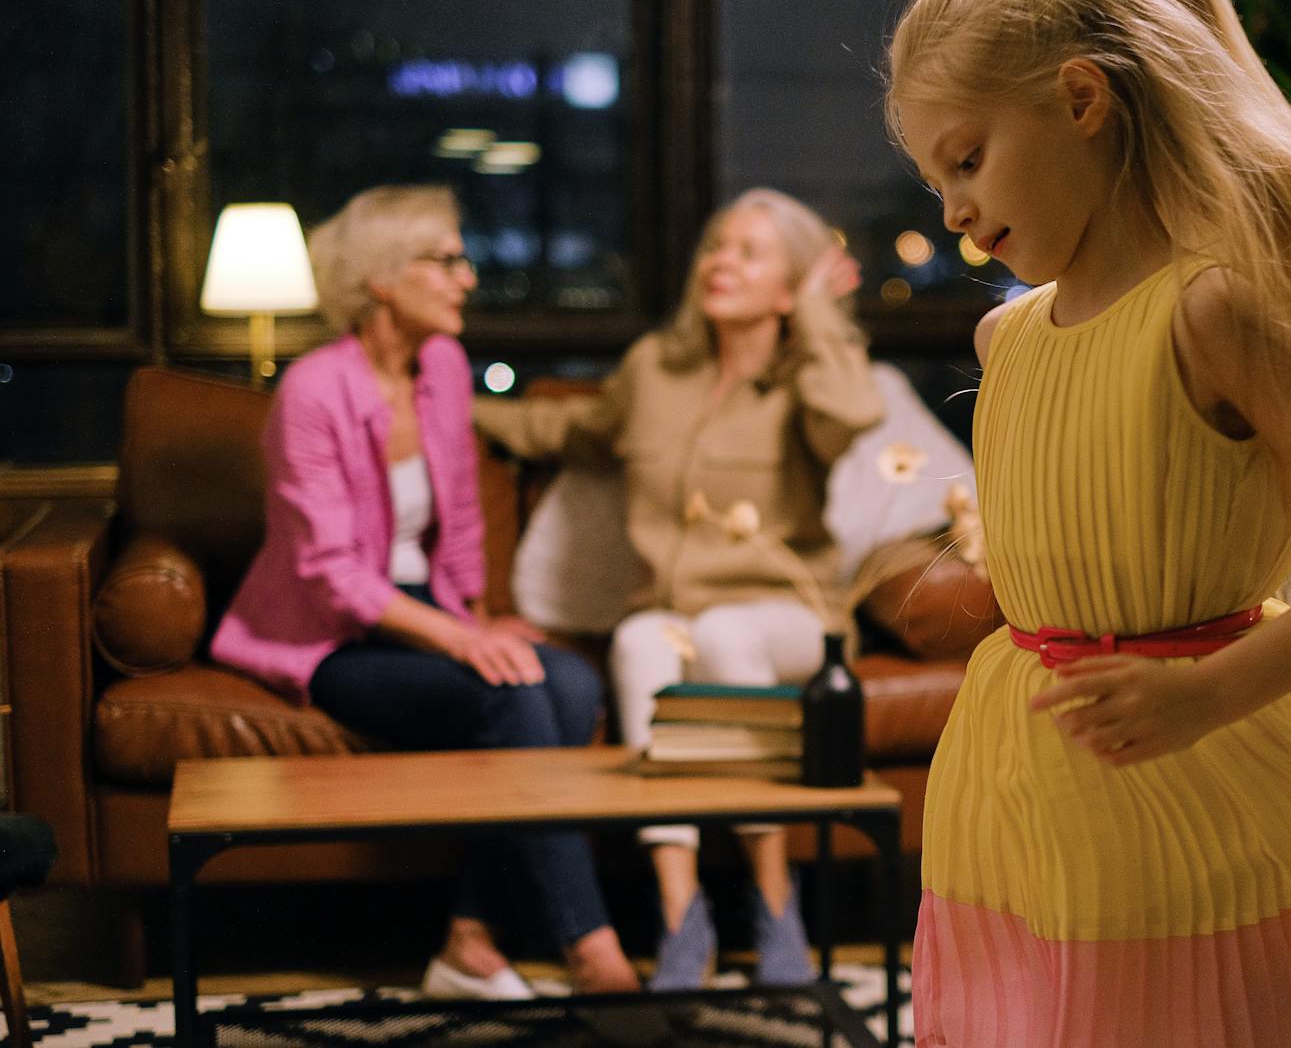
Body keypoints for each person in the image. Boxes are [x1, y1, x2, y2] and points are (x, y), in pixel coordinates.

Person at [885, 0, 1291, 1044]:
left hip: (1202, 768)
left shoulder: (1211, 312)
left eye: (966, 160)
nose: (952, 210)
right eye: (934, 181)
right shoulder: (1001, 344)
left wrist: (1206, 693)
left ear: (1081, 99)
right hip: (1033, 782)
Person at [210, 185, 639, 1001]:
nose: (465, 277)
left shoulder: (440, 367)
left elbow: (465, 514)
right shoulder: (311, 391)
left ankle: (472, 939)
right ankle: (593, 951)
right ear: (379, 278)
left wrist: (476, 615)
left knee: (572, 680)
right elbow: (332, 575)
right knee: (509, 693)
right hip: (332, 636)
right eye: (444, 260)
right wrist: (462, 641)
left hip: (426, 607)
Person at [474, 187, 884, 990]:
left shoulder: (810, 378)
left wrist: (818, 316)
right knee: (637, 639)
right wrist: (458, 411)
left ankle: (773, 900)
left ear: (788, 284)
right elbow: (572, 431)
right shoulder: (654, 371)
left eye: (748, 252)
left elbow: (854, 413)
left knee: (727, 633)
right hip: (673, 615)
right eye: (715, 246)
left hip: (789, 617)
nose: (720, 261)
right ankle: (679, 910)